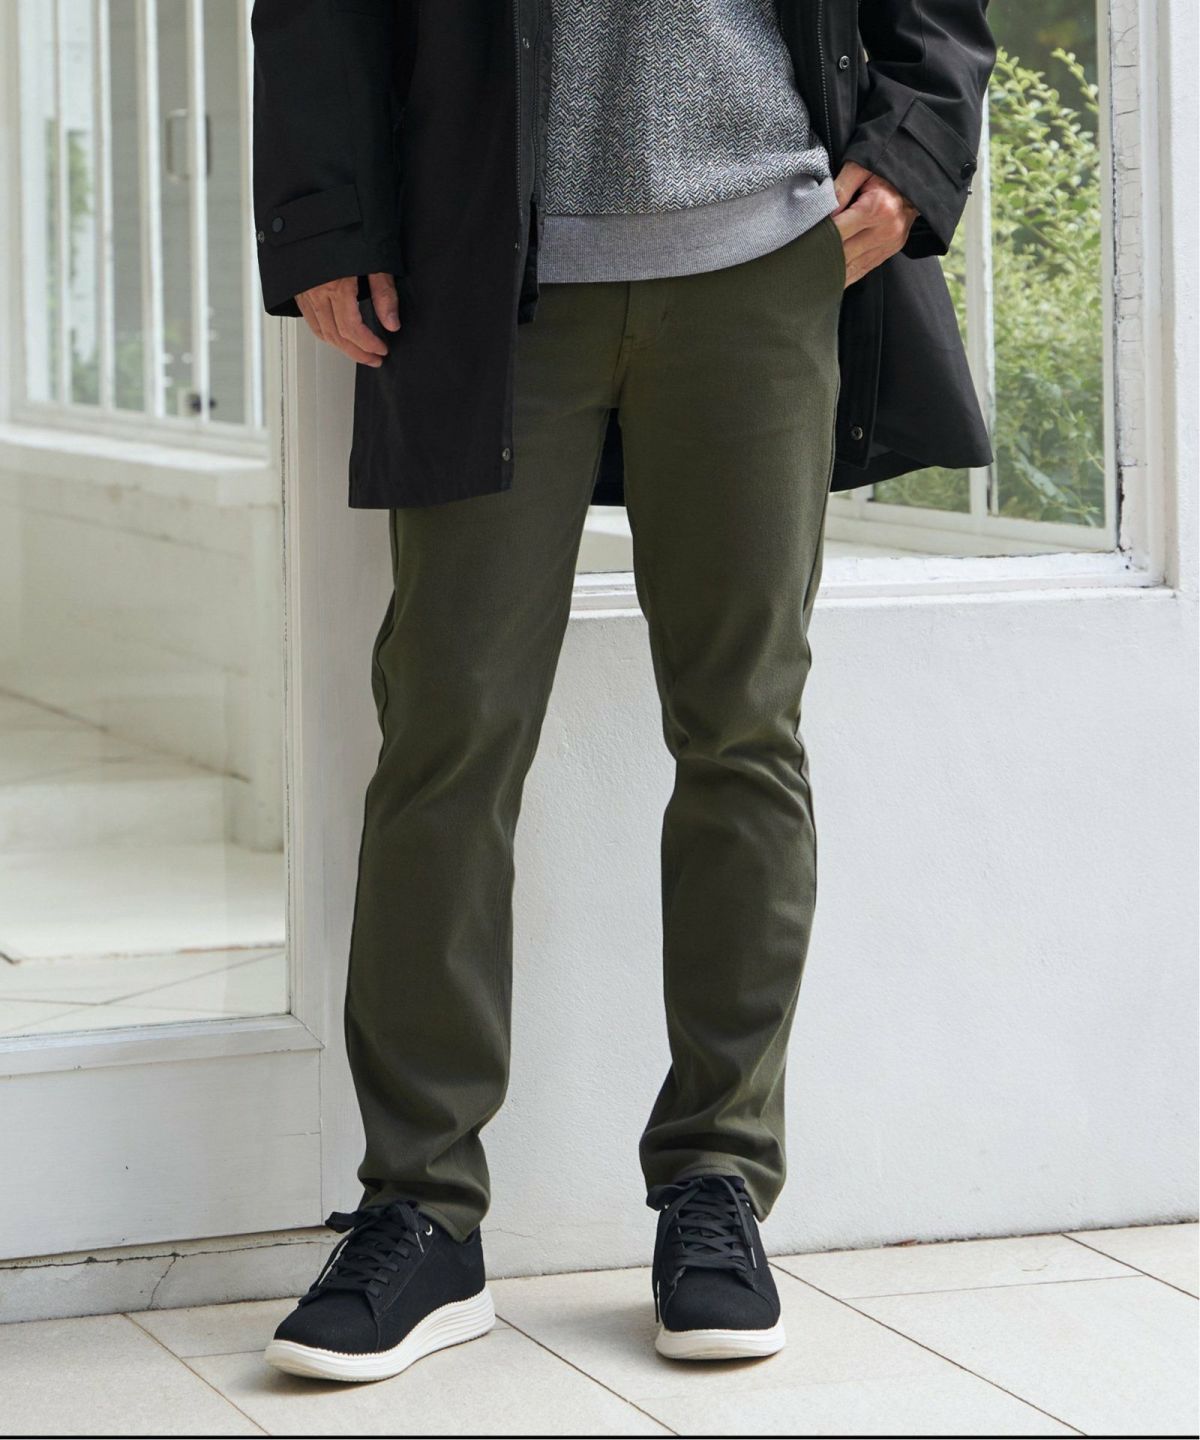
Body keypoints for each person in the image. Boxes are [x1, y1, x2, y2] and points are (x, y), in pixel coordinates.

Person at [252, 0, 995, 1383]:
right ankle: (421, 1209)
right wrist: (325, 218)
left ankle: (718, 1182)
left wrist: (910, 151)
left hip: (764, 259)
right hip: (477, 260)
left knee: (742, 731)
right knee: (446, 734)